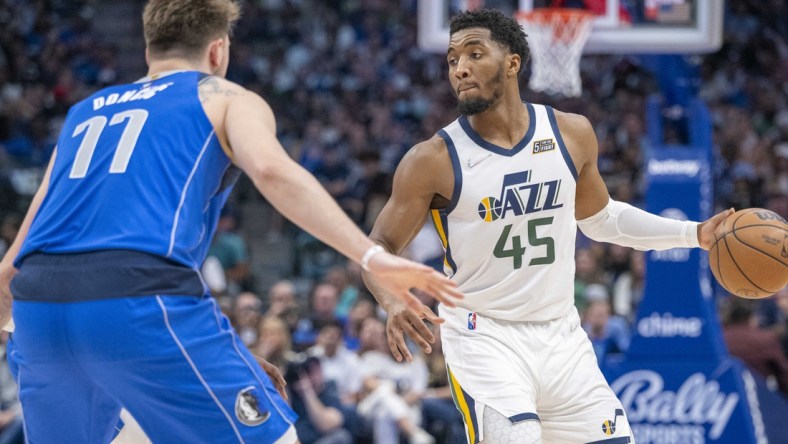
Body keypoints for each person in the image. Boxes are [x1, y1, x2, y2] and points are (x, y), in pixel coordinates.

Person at [0, 1, 461, 442]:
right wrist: (370, 256)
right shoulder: (222, 96)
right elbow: (273, 171)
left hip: (39, 312)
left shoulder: (83, 114)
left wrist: (218, 355)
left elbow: (16, 260)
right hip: (139, 299)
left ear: (148, 51)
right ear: (218, 49)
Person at [362, 8, 732, 444]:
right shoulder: (432, 160)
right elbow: (378, 246)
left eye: (474, 54)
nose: (459, 68)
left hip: (562, 337)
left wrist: (695, 234)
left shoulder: (571, 133)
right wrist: (391, 300)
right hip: (485, 337)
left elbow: (602, 219)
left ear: (513, 62)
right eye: (452, 59)